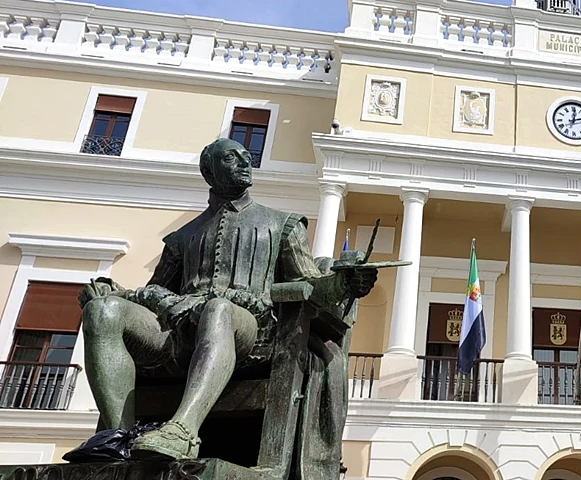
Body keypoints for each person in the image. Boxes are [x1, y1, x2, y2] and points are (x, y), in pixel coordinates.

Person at [73, 138, 377, 461]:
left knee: (218, 310)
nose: (246, 163)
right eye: (233, 158)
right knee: (103, 311)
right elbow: (154, 290)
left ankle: (183, 431)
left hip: (251, 334)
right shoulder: (181, 237)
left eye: (248, 157)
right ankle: (119, 437)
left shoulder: (283, 225)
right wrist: (116, 293)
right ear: (210, 170)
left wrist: (345, 283)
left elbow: (312, 284)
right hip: (180, 331)